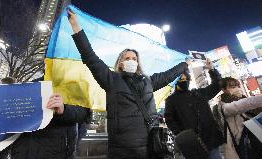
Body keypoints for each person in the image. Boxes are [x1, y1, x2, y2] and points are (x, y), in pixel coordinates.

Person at [68, 9, 189, 159]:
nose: (132, 60)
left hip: (150, 147)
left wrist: (184, 65)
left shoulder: (148, 81)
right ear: (120, 63)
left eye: (134, 58)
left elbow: (168, 75)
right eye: (127, 58)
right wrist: (76, 26)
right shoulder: (111, 79)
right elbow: (90, 57)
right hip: (122, 149)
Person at [0, 76, 90, 159]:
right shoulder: (31, 85)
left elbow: (83, 113)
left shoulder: (76, 87)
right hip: (23, 150)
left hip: (54, 152)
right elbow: (11, 118)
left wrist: (64, 109)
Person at [164, 59, 224, 159]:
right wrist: (183, 136)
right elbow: (170, 121)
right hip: (192, 145)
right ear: (176, 81)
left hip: (211, 140)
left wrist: (212, 69)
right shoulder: (171, 100)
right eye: (181, 79)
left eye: (186, 78)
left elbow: (217, 85)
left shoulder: (199, 93)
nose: (184, 81)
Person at [213, 77, 262, 159]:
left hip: (255, 138)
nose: (237, 89)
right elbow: (242, 105)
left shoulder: (243, 98)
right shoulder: (224, 106)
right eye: (232, 87)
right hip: (241, 144)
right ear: (224, 90)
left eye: (237, 86)